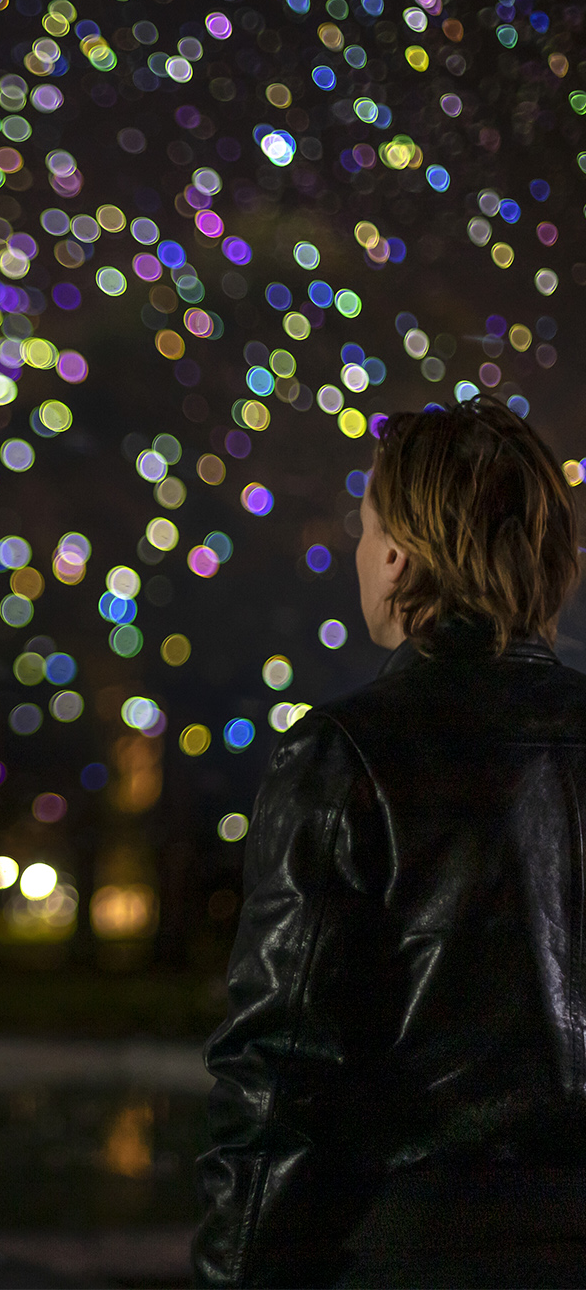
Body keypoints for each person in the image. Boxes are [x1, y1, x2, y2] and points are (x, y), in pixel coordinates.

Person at [193, 394, 586, 1289]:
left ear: (402, 553)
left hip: (422, 1251)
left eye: (369, 528)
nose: (361, 553)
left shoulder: (346, 755)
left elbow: (281, 1079)